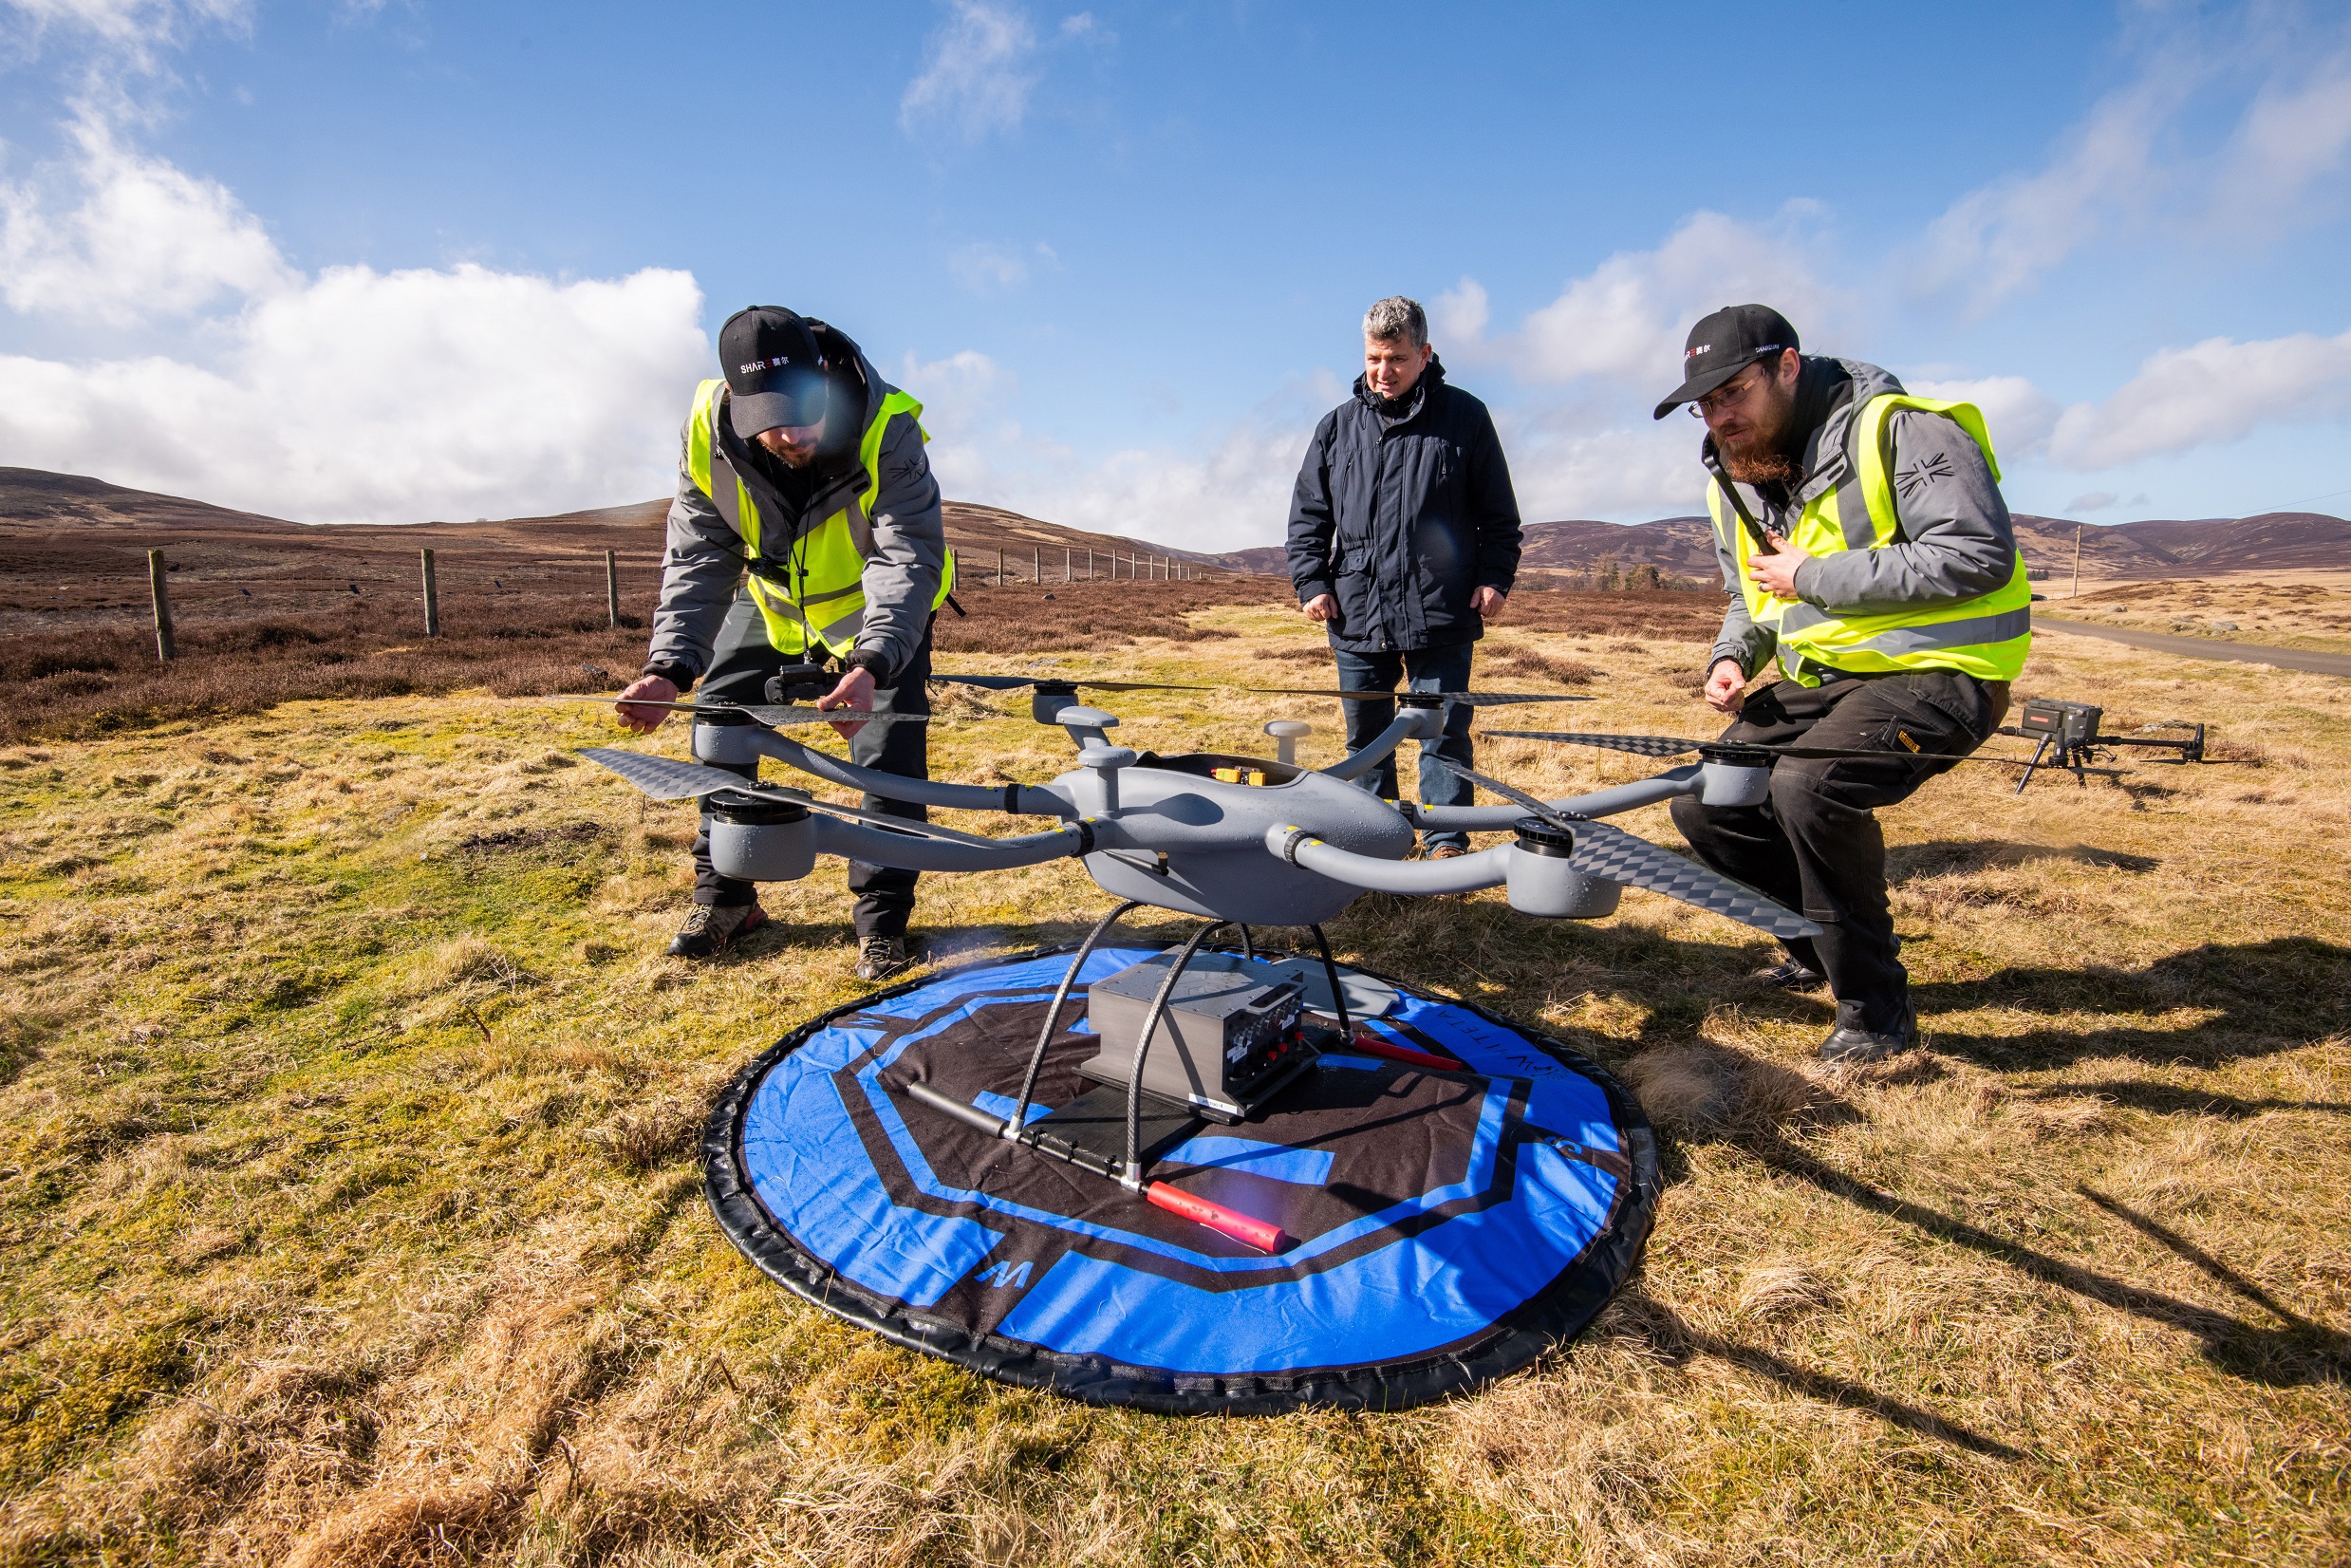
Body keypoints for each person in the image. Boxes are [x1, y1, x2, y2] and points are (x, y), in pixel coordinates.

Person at [1655, 304, 2031, 1062]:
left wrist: (1815, 575)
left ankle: (1875, 1015)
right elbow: (1753, 596)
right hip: (1824, 679)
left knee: (1808, 789)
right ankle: (1813, 949)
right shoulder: (1732, 477)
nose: (1718, 416)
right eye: (1705, 402)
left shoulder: (1901, 430)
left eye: (1734, 393)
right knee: (1707, 802)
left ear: (1786, 367)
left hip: (1942, 669)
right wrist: (1731, 657)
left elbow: (1975, 553)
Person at [613, 306, 953, 978]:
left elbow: (908, 554)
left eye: (801, 412)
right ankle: (726, 899)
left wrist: (872, 663)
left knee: (885, 757)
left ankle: (881, 920)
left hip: (876, 611)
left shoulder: (888, 426)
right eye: (769, 419)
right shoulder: (709, 428)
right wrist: (670, 667)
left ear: (824, 377)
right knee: (718, 727)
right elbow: (699, 555)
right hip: (773, 604)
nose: (790, 434)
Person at [1285, 295, 1522, 857]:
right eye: (1373, 359)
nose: (1382, 372)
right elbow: (1308, 516)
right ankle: (1377, 838)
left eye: (1395, 359)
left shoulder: (1466, 418)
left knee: (1441, 733)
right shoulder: (1336, 427)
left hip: (1441, 606)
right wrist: (1311, 583)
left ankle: (1445, 841)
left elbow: (1500, 516)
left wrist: (1495, 577)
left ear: (1425, 354)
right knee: (1365, 737)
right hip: (1356, 607)